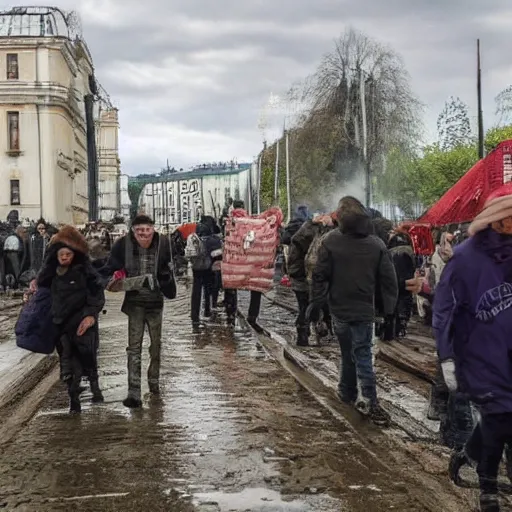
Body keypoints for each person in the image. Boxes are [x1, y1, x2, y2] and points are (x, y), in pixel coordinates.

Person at [434, 183, 512, 512]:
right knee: (499, 419)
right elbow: (444, 310)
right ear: (497, 219)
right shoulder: (466, 259)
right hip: (482, 356)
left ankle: (468, 453)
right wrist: (447, 357)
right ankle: (488, 487)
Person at [309, 196, 398, 426]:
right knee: (362, 354)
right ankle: (368, 399)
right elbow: (389, 281)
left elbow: (320, 277)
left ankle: (346, 391)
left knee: (347, 351)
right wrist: (389, 312)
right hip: (364, 310)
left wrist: (316, 305)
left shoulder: (330, 241)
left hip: (338, 308)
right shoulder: (377, 244)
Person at [100, 215, 174, 408]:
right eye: (139, 230)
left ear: (153, 229)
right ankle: (134, 392)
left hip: (156, 303)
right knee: (134, 348)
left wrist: (166, 280)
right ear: (133, 231)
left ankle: (154, 383)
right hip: (135, 303)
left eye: (147, 229)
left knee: (156, 346)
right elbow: (109, 267)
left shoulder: (163, 244)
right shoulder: (122, 245)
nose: (144, 234)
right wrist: (108, 279)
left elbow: (169, 266)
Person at [35, 225, 105, 414]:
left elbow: (97, 291)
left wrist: (91, 314)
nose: (65, 257)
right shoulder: (49, 274)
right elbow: (42, 294)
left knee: (87, 355)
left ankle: (94, 385)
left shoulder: (85, 271)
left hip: (83, 321)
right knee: (67, 359)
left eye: (69, 253)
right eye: (61, 253)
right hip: (61, 323)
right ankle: (74, 398)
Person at [287, 213, 336, 346]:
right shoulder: (318, 236)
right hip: (307, 278)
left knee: (305, 307)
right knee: (314, 306)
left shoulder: (301, 234)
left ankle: (304, 335)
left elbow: (293, 258)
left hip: (299, 276)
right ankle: (314, 333)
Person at [185, 221, 222, 326]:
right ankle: (207, 311)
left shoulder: (194, 239)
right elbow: (218, 255)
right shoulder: (214, 240)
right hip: (208, 268)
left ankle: (195, 316)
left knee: (196, 291)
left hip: (196, 267)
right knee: (207, 290)